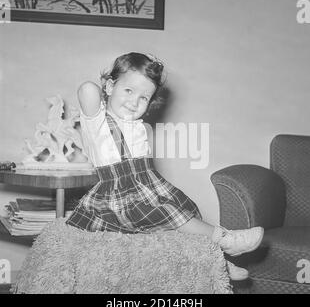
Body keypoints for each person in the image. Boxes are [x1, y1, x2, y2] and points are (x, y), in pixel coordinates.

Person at [66, 52, 264, 281]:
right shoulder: (97, 121)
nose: (134, 101)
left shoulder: (136, 125)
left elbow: (142, 172)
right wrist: (103, 88)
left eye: (144, 98)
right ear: (110, 87)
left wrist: (126, 89)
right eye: (128, 90)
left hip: (146, 184)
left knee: (184, 212)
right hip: (118, 194)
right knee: (170, 214)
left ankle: (218, 262)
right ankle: (227, 240)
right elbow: (87, 90)